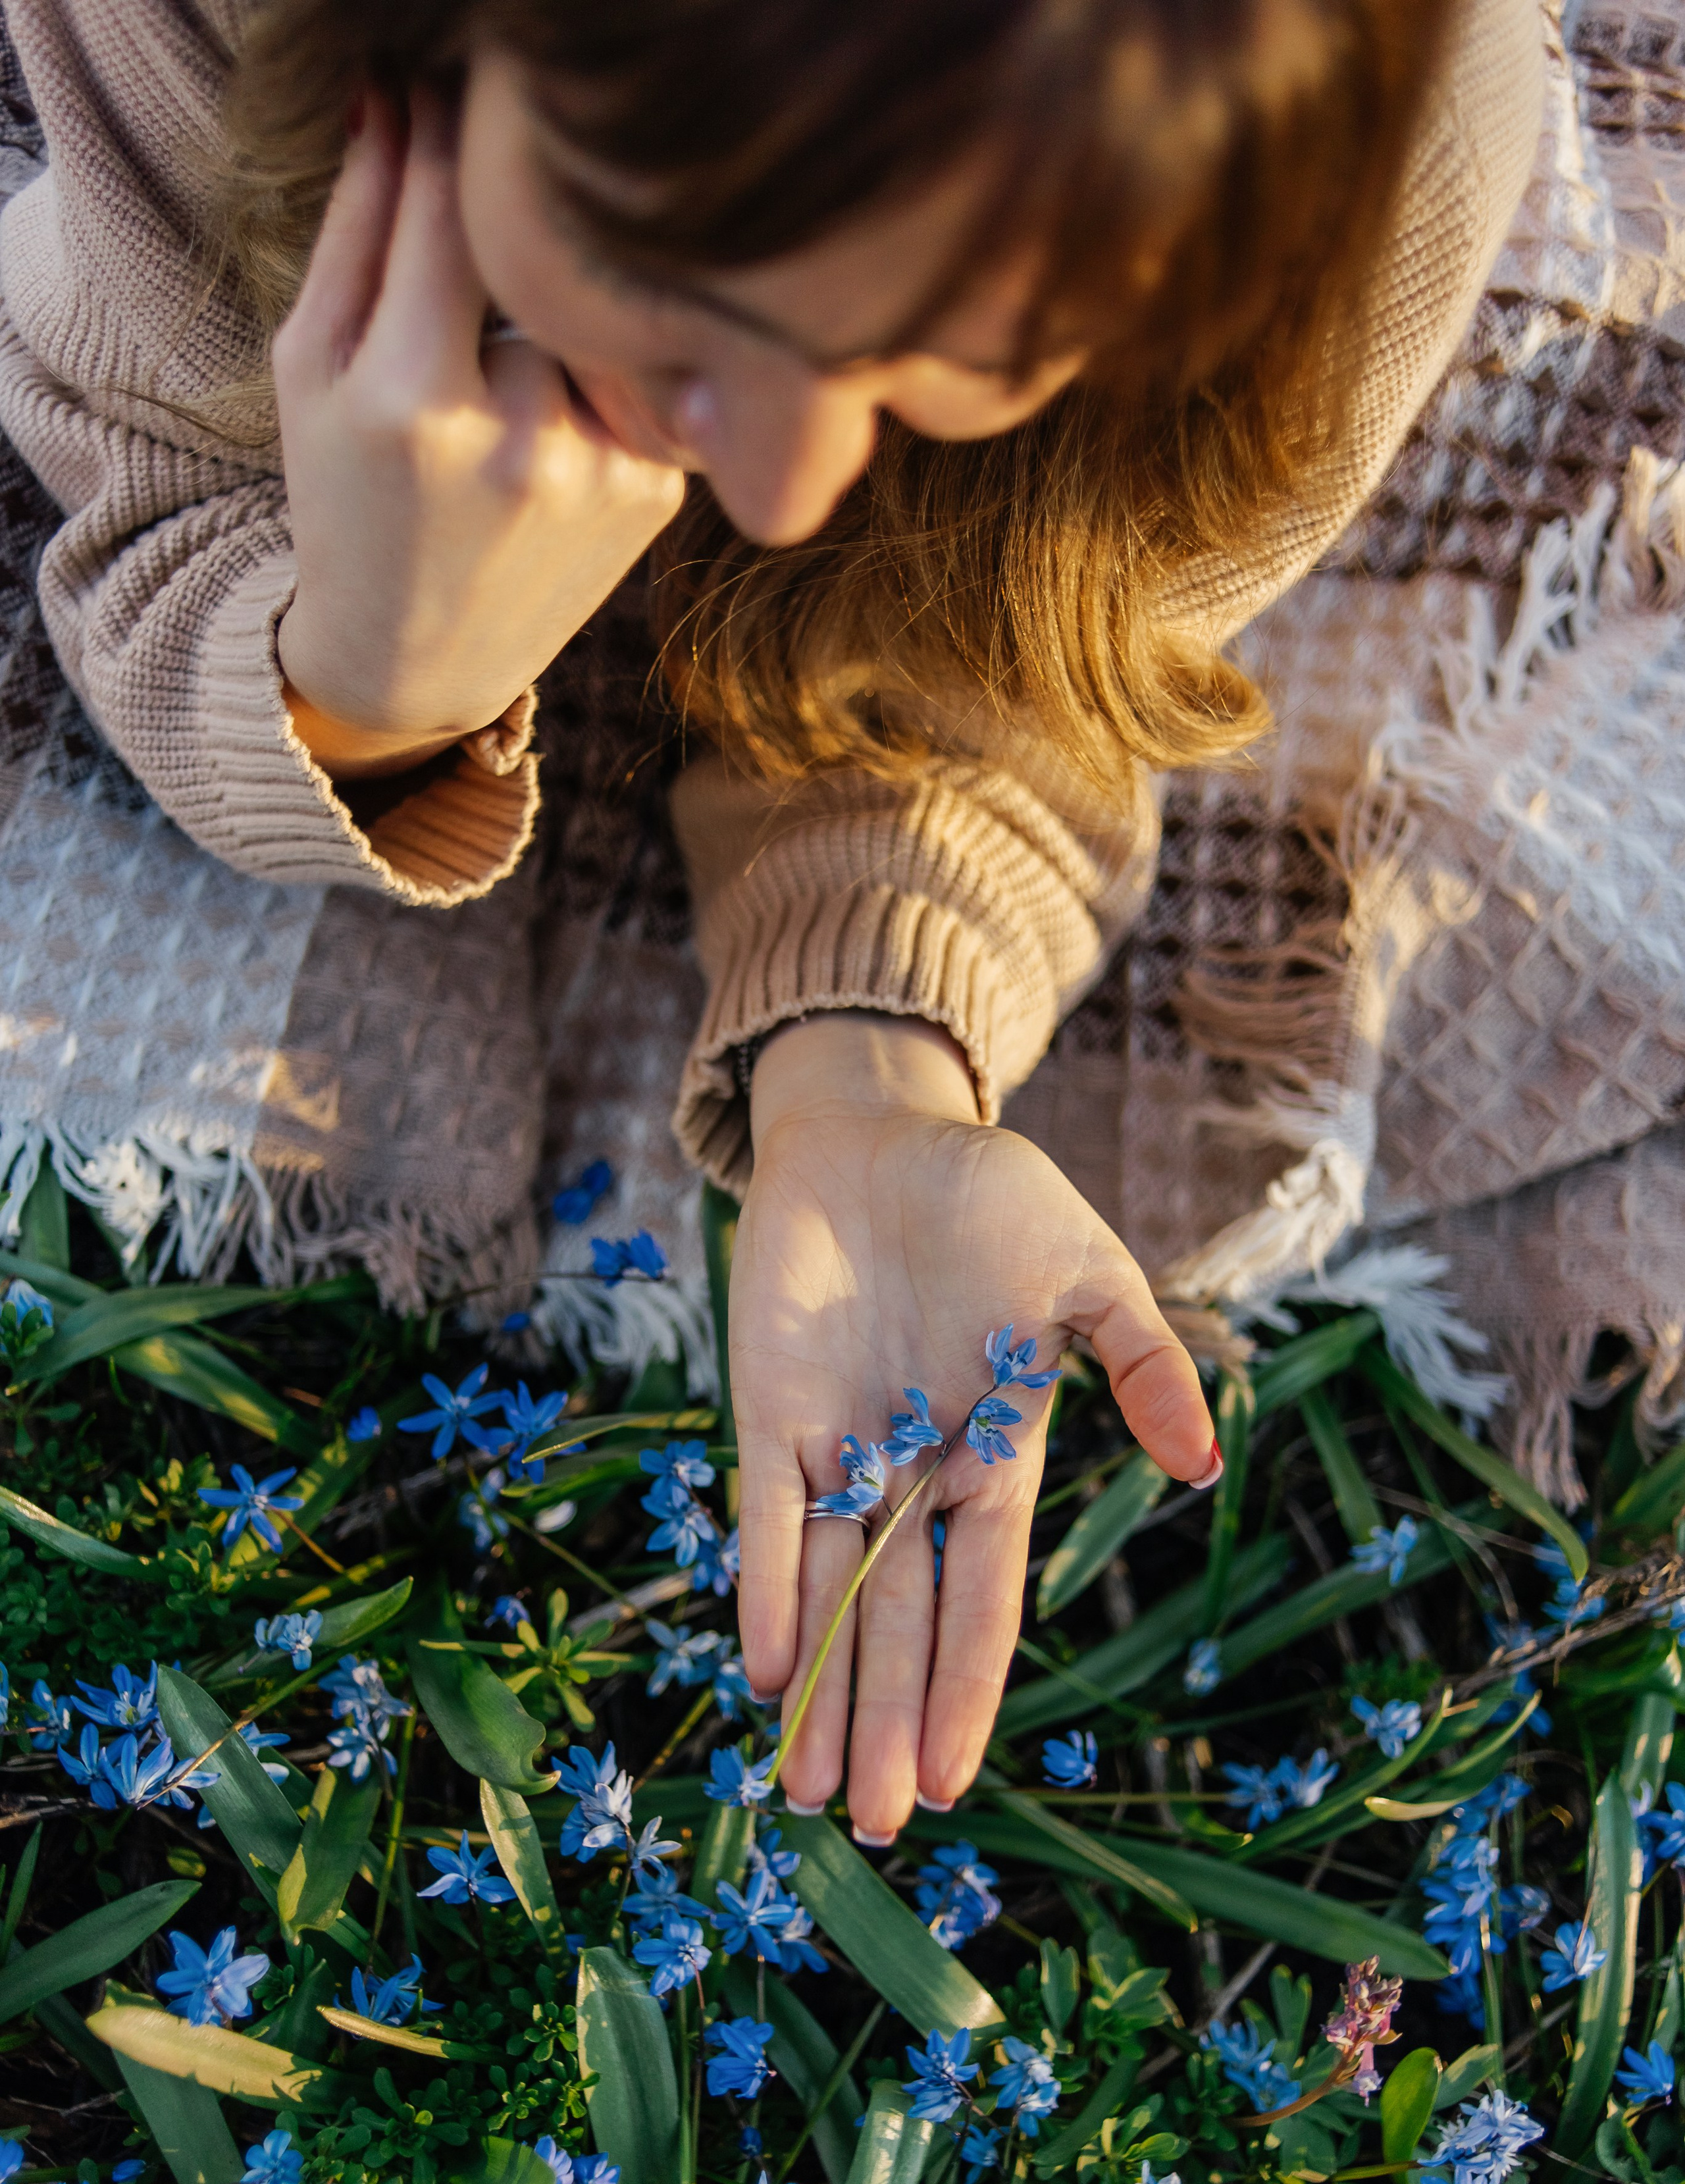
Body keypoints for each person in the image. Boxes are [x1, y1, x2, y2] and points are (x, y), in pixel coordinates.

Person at [0, 0, 1540, 1836]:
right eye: (691, 292)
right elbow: (157, 468)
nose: (792, 492)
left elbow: (1025, 655)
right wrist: (374, 669)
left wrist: (870, 1070)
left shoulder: (1368, 149)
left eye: (956, 347)